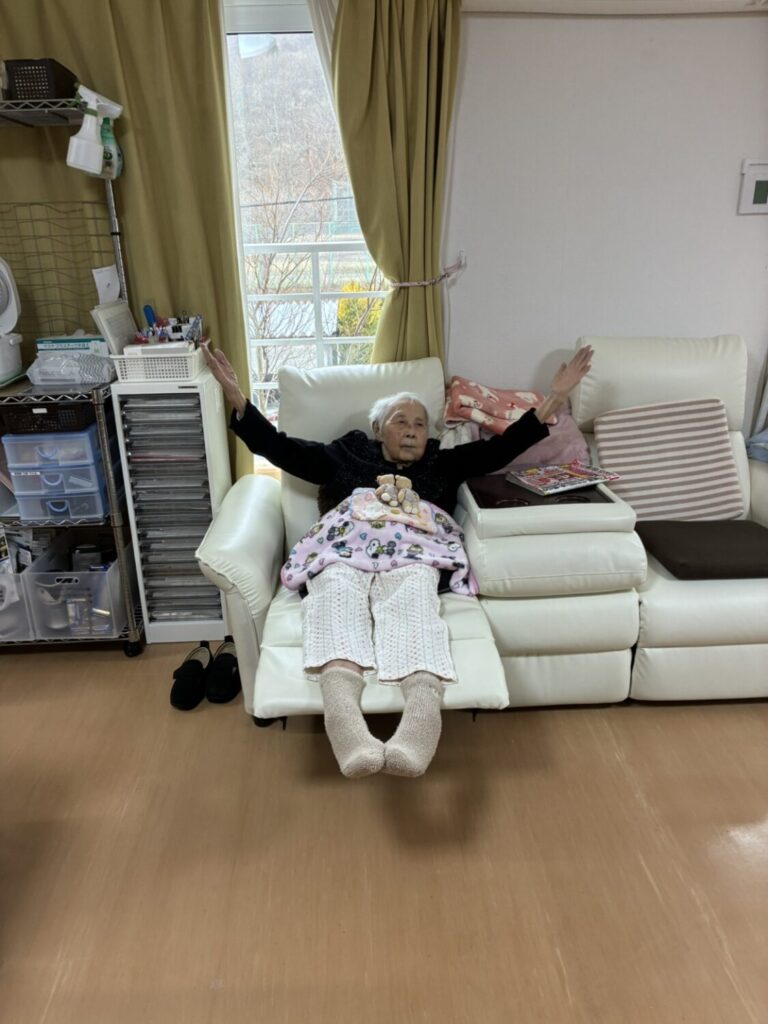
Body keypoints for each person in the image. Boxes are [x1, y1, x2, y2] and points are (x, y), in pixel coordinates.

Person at [202, 343, 593, 779]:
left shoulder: (442, 462)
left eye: (420, 423)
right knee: (334, 594)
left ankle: (418, 730)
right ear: (377, 428)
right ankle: (347, 729)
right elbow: (282, 449)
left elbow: (502, 450)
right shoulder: (347, 454)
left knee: (414, 600)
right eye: (400, 421)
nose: (411, 431)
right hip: (343, 551)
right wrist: (237, 398)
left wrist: (555, 397)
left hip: (414, 554)